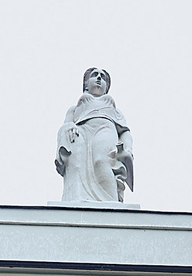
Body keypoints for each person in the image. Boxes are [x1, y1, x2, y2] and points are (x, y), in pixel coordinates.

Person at [54, 68, 134, 205]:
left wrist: (128, 149)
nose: (98, 78)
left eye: (102, 77)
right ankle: (76, 198)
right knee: (76, 162)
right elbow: (66, 125)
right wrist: (69, 127)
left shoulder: (114, 110)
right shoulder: (75, 109)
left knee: (102, 160)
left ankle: (110, 202)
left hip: (105, 129)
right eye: (94, 75)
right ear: (86, 84)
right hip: (81, 132)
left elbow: (125, 132)